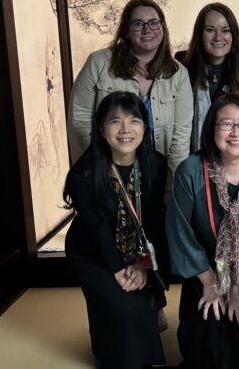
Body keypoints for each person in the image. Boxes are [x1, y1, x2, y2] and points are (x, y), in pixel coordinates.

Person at [167, 93, 239, 369]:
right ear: (211, 130)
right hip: (205, 264)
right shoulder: (191, 172)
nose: (236, 132)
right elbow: (180, 231)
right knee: (209, 326)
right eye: (226, 124)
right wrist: (210, 281)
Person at [64, 91, 169, 369]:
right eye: (114, 122)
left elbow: (155, 222)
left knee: (143, 305)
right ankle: (113, 355)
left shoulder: (156, 165)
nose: (125, 130)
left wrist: (144, 265)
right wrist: (119, 270)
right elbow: (95, 228)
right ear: (100, 128)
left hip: (137, 252)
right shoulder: (84, 173)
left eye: (134, 121)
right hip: (93, 254)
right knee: (123, 305)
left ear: (145, 127)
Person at [67, 0, 193, 179]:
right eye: (138, 24)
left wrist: (173, 185)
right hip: (106, 172)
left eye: (154, 23)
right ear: (126, 30)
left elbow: (180, 138)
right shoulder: (98, 63)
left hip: (156, 177)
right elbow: (79, 121)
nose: (147, 29)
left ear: (163, 29)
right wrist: (96, 173)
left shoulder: (178, 74)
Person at [177, 2, 239, 152]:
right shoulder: (181, 70)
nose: (218, 37)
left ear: (234, 36)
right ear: (200, 34)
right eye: (210, 30)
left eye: (225, 30)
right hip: (192, 162)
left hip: (237, 161)